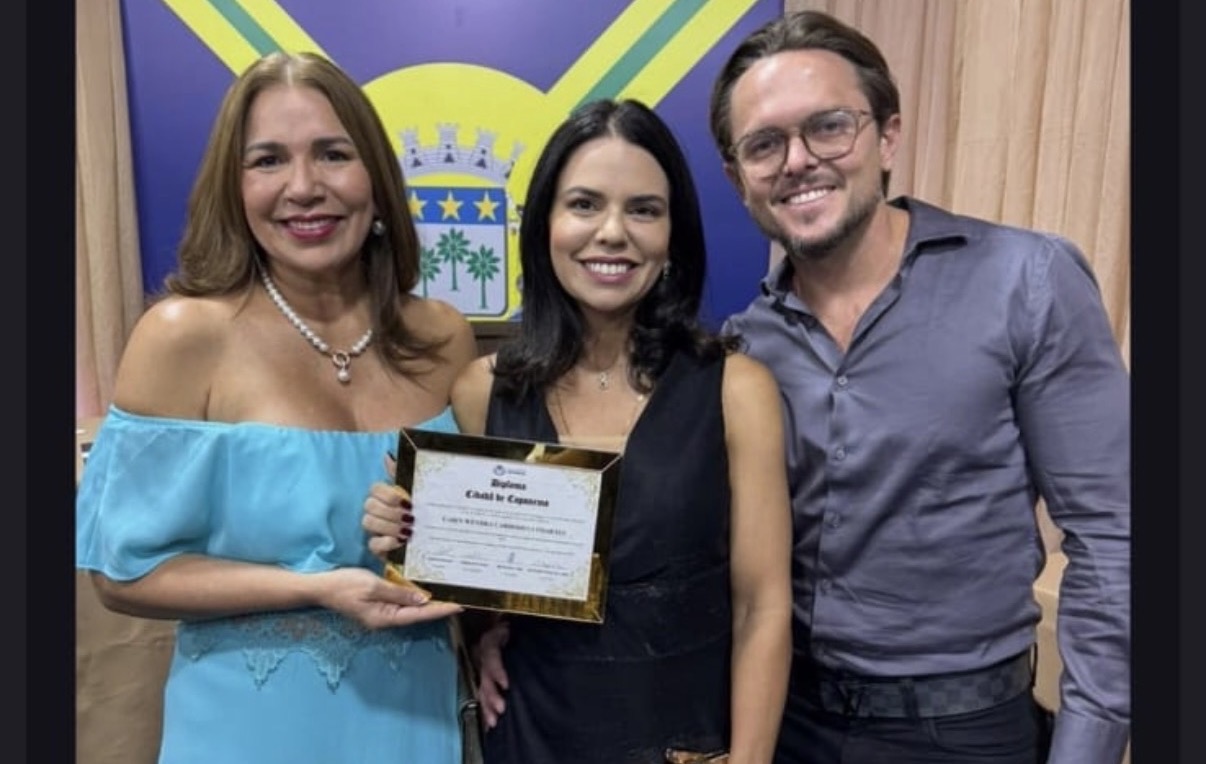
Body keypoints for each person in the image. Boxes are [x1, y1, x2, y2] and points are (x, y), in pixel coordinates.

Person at [706, 10, 1131, 764]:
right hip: (786, 728)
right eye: (764, 145)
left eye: (829, 127)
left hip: (965, 733)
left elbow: (1114, 538)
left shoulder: (1025, 283)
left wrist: (1088, 746)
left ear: (888, 136)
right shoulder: (741, 346)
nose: (798, 160)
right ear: (739, 178)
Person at [75, 51, 477, 763]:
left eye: (333, 154)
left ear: (377, 181)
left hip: (418, 718)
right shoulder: (182, 337)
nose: (304, 187)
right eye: (267, 160)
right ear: (234, 189)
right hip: (249, 730)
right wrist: (315, 589)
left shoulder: (441, 337)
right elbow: (121, 573)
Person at [363, 98, 794, 763]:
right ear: (544, 226)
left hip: (687, 739)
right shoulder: (483, 390)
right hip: (534, 733)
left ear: (674, 235)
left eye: (644, 209)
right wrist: (414, 534)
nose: (613, 232)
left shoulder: (737, 389)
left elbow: (762, 608)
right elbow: (480, 582)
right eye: (584, 204)